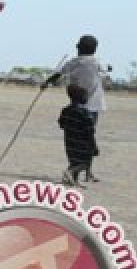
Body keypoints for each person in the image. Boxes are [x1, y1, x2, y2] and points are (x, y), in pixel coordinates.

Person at [43, 34, 109, 182]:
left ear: (78, 48)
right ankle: (85, 172)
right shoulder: (98, 63)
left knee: (74, 140)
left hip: (75, 105)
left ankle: (76, 172)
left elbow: (58, 75)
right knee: (88, 139)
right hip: (93, 106)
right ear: (95, 49)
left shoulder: (72, 63)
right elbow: (106, 73)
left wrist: (47, 82)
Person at [58, 84, 98, 187]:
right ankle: (69, 172)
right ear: (81, 98)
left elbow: (61, 124)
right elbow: (89, 132)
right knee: (84, 163)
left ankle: (74, 181)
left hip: (69, 142)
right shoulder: (85, 113)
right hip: (82, 144)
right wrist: (94, 146)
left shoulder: (65, 110)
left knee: (74, 161)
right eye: (86, 96)